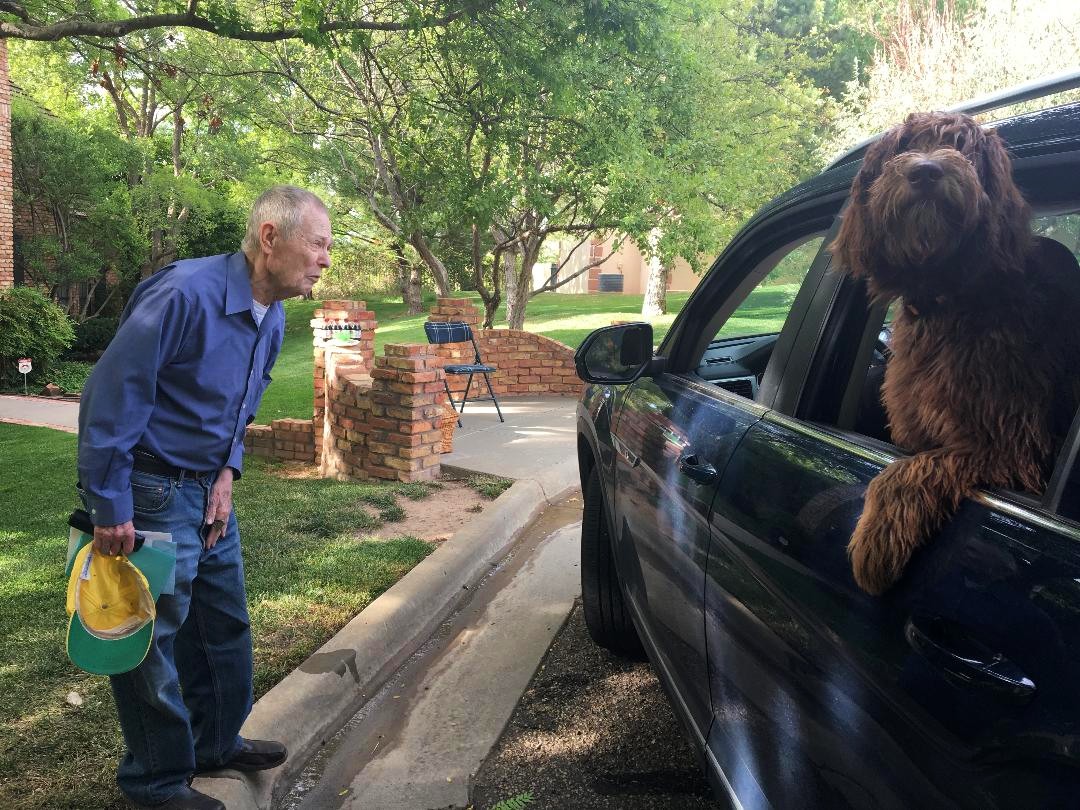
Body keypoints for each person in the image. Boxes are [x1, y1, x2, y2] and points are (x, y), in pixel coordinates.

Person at [76, 185, 332, 810]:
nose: (326, 259)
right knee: (149, 642)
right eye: (318, 244)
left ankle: (215, 743)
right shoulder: (183, 293)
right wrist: (110, 504)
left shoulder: (271, 314)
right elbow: (111, 395)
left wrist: (229, 471)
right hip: (151, 489)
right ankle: (156, 781)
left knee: (223, 625)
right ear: (270, 237)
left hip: (209, 492)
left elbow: (245, 397)